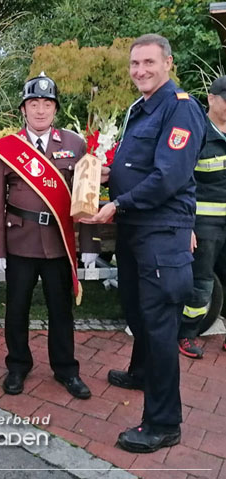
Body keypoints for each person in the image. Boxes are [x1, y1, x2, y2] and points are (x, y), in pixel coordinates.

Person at [84, 34, 206, 453]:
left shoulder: (181, 108)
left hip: (160, 234)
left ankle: (163, 422)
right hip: (136, 232)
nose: (140, 71)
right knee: (138, 310)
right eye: (135, 64)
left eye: (149, 63)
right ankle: (140, 373)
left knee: (158, 327)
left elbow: (168, 177)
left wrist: (117, 202)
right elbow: (137, 162)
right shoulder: (144, 107)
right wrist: (107, 175)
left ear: (168, 63)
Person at [0, 73, 100, 400]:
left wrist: (88, 243)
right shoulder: (7, 149)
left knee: (61, 310)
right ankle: (18, 365)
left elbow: (85, 198)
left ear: (55, 109)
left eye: (47, 104)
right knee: (17, 309)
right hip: (19, 241)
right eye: (33, 103)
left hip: (59, 243)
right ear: (23, 109)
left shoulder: (76, 145)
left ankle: (66, 369)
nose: (40, 110)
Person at [177, 75, 226, 359]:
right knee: (201, 285)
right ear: (211, 98)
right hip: (204, 225)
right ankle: (187, 333)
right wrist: (187, 225)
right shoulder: (197, 133)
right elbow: (182, 181)